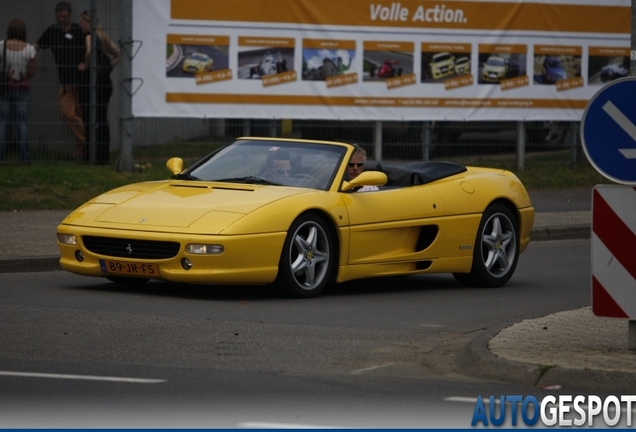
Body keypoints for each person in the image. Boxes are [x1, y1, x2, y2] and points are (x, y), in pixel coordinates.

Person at [34, 1, 86, 161]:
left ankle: (80, 152)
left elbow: (91, 48)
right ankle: (89, 142)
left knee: (81, 116)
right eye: (59, 16)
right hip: (65, 83)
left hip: (82, 82)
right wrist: (22, 53)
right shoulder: (53, 31)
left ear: (70, 15)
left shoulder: (79, 31)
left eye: (64, 16)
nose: (61, 19)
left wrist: (85, 62)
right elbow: (36, 45)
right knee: (68, 114)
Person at [78, 10, 120, 164]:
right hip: (105, 83)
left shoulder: (89, 36)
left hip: (93, 84)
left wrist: (86, 65)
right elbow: (118, 54)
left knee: (90, 119)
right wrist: (108, 66)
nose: (81, 25)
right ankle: (103, 155)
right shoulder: (103, 37)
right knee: (102, 118)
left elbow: (89, 51)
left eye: (82, 22)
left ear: (88, 22)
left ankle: (90, 154)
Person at [0, 18, 37, 164]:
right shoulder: (29, 49)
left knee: (2, 122)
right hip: (22, 88)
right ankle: (25, 157)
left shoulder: (1, 46)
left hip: (4, 88)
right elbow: (32, 73)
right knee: (22, 123)